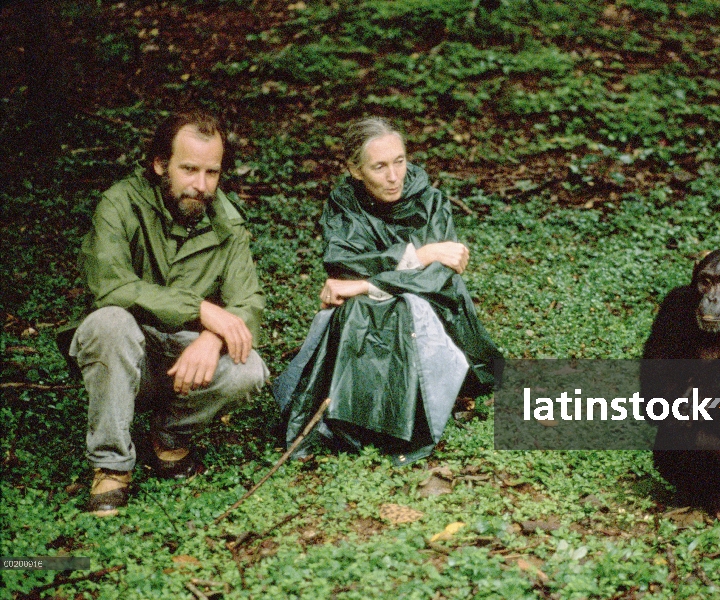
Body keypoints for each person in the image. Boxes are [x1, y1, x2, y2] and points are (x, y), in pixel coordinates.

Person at [65, 109, 268, 515]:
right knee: (109, 322)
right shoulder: (120, 204)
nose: (201, 185)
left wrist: (212, 337)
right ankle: (111, 466)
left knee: (250, 368)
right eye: (189, 169)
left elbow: (248, 303)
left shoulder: (227, 223)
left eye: (212, 173)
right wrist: (200, 309)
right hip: (122, 353)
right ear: (160, 164)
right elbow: (112, 286)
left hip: (180, 362)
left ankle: (170, 436)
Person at [273, 117, 501, 465]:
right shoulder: (343, 204)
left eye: (400, 161)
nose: (394, 176)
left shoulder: (430, 201)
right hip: (363, 308)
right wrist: (417, 257)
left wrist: (368, 282)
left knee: (392, 308)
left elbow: (437, 278)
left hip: (434, 310)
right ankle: (350, 420)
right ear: (355, 169)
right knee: (358, 311)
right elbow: (342, 264)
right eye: (379, 167)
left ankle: (399, 424)